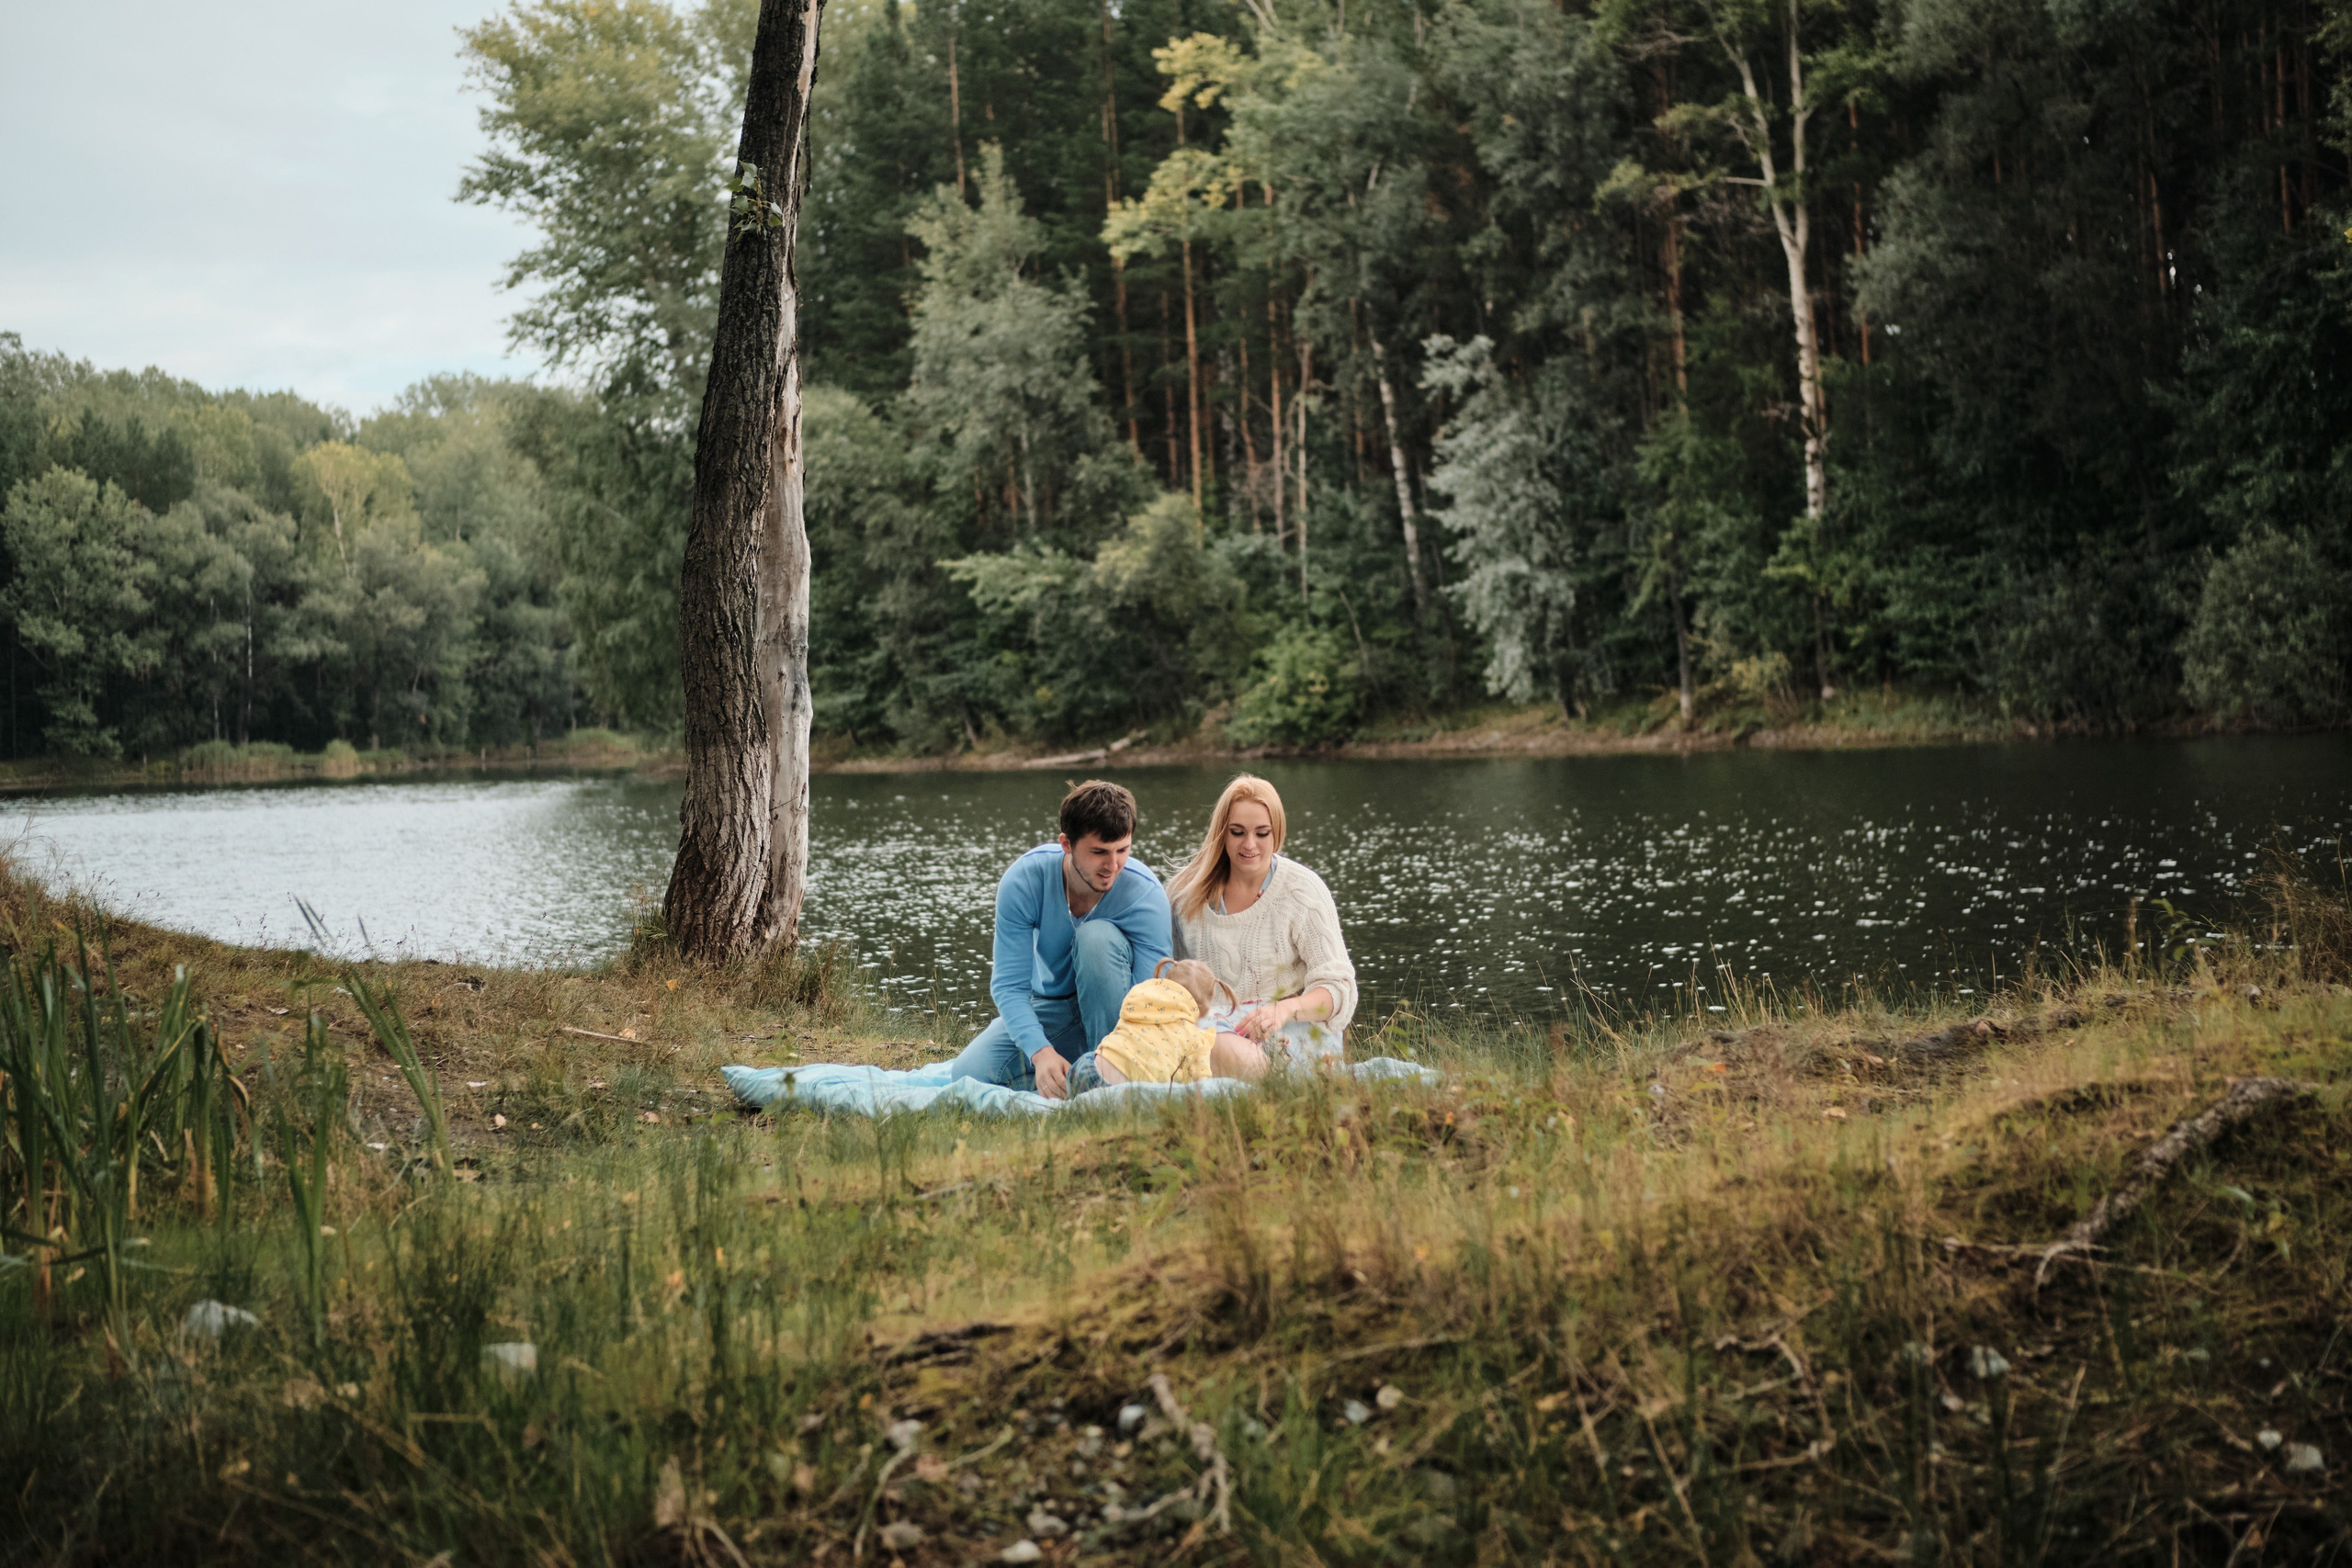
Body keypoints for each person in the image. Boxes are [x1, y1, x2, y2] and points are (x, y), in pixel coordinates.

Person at [946, 778, 1171, 1099]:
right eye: (1099, 852)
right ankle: (1076, 1077)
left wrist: (1129, 1052)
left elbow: (1150, 996)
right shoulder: (1024, 881)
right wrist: (1041, 1053)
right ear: (1066, 844)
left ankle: (1111, 1081)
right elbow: (1010, 986)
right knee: (967, 1074)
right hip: (1052, 1010)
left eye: (1123, 850)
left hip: (1118, 1014)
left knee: (1096, 937)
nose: (1113, 865)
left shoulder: (1146, 895)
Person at [1161, 773, 1356, 1066]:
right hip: (1214, 1031)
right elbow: (1169, 980)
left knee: (1208, 1047)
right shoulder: (1184, 894)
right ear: (1221, 833)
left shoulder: (1304, 890)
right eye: (1237, 832)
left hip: (1292, 1034)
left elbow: (1339, 991)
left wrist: (1284, 1009)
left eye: (1262, 833)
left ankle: (1265, 1079)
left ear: (1277, 833)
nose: (1249, 844)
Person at [1066, 958, 1269, 1096]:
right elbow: (1200, 1084)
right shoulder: (1196, 1039)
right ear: (1204, 1010)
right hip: (1124, 1090)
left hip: (1087, 1068)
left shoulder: (1139, 995)